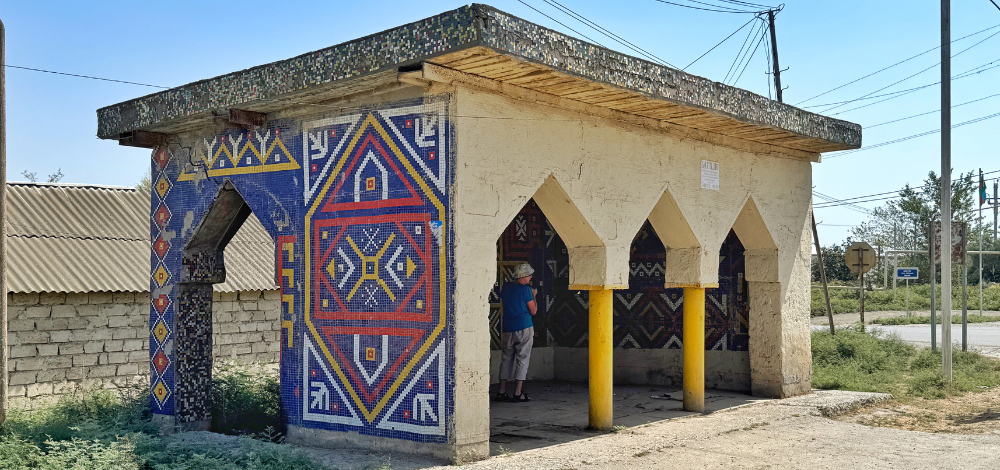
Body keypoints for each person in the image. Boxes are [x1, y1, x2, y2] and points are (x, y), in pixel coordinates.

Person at [496, 262, 538, 402]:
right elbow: (533, 311)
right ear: (523, 277)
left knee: (506, 359)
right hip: (524, 327)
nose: (531, 277)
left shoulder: (506, 287)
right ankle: (518, 392)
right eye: (529, 275)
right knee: (522, 358)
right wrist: (534, 296)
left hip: (507, 327)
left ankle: (501, 391)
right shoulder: (526, 290)